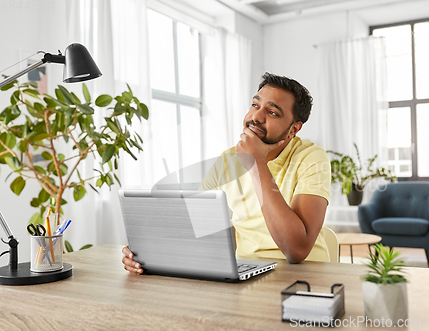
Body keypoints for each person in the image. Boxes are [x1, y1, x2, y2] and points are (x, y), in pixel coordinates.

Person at [122, 73, 331, 275]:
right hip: (249, 272)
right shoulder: (227, 160)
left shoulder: (311, 157)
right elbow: (200, 229)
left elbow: (297, 250)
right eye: (255, 105)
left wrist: (256, 162)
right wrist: (149, 252)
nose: (256, 117)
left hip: (304, 277)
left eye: (273, 112)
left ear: (294, 129)